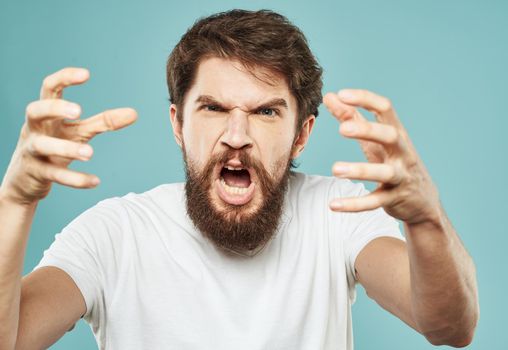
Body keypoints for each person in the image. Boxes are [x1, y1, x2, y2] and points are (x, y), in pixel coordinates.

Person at [0, 9, 478, 350]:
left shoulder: (338, 214)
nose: (236, 136)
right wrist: (15, 202)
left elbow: (450, 327)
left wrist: (426, 217)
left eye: (265, 112)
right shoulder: (114, 233)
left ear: (301, 134)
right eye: (213, 108)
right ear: (178, 124)